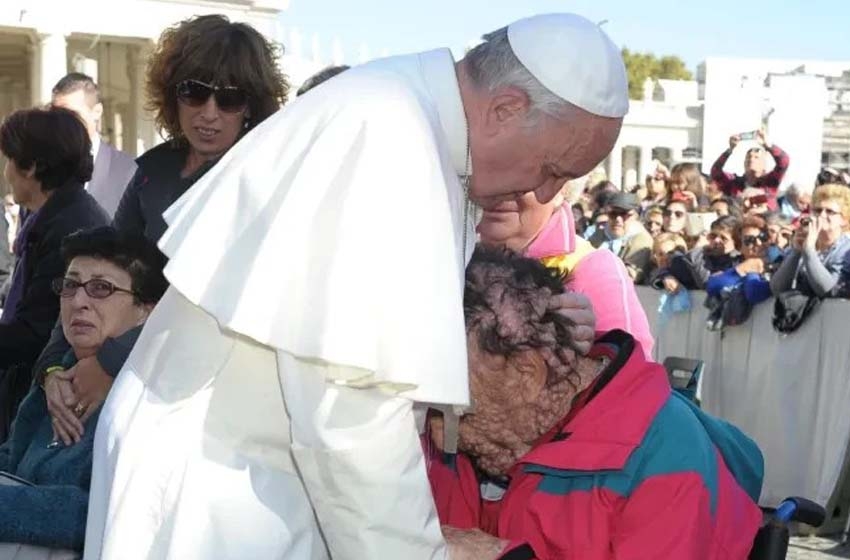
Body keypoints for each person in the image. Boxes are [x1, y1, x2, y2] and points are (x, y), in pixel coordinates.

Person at [84, 13, 626, 559]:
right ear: (506, 108)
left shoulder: (401, 114)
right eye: (553, 168)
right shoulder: (391, 138)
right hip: (219, 490)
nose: (546, 191)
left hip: (249, 472)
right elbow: (350, 416)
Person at [33, 13, 290, 449]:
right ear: (173, 94)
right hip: (128, 377)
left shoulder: (257, 182)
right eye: (194, 93)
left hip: (207, 397)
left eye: (229, 99)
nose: (209, 113)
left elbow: (208, 308)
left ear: (251, 106)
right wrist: (53, 368)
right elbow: (97, 273)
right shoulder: (154, 171)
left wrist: (110, 363)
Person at [426, 247, 764, 559]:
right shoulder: (490, 433)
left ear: (528, 376)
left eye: (454, 406)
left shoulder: (667, 460)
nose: (437, 433)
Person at [0, 227, 166, 554]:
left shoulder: (150, 401)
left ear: (145, 311)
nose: (78, 302)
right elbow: (10, 457)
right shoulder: (56, 378)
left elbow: (109, 514)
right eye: (70, 285)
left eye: (101, 288)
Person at [0, 107, 109, 439]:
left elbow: (35, 332)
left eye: (9, 159)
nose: (5, 171)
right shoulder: (54, 214)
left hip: (57, 396)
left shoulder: (69, 227)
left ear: (31, 166)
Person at [477, 189, 654, 357]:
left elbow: (633, 369)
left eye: (521, 174)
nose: (500, 189)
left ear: (560, 188)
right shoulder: (464, 256)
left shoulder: (593, 267)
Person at [51, 73, 137, 218]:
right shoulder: (40, 170)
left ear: (97, 112)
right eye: (56, 115)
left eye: (72, 115)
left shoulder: (129, 171)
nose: (62, 123)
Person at [771, 184, 850, 298]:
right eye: (817, 210)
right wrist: (796, 252)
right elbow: (777, 289)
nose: (822, 215)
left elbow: (831, 292)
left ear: (844, 219)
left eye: (830, 211)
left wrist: (809, 251)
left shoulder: (845, 250)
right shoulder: (804, 240)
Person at [710, 128, 789, 209]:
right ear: (744, 163)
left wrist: (768, 146)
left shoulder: (770, 182)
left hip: (765, 216)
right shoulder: (734, 183)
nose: (751, 160)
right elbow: (715, 172)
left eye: (756, 157)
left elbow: (784, 162)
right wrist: (729, 150)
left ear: (764, 164)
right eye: (748, 157)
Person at [705, 215, 772, 305]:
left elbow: (754, 293)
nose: (759, 243)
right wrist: (742, 270)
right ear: (739, 247)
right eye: (749, 240)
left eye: (763, 237)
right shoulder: (734, 264)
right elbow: (712, 286)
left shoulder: (779, 260)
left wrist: (752, 272)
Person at [589, 192, 654, 283]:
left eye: (625, 214)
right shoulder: (599, 234)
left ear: (636, 216)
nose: (618, 219)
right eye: (613, 214)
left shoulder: (642, 240)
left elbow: (631, 275)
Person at [666, 215, 742, 291]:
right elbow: (675, 264)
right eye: (713, 236)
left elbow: (706, 283)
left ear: (735, 242)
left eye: (723, 238)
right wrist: (666, 276)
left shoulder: (738, 261)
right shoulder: (705, 255)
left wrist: (698, 249)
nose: (716, 240)